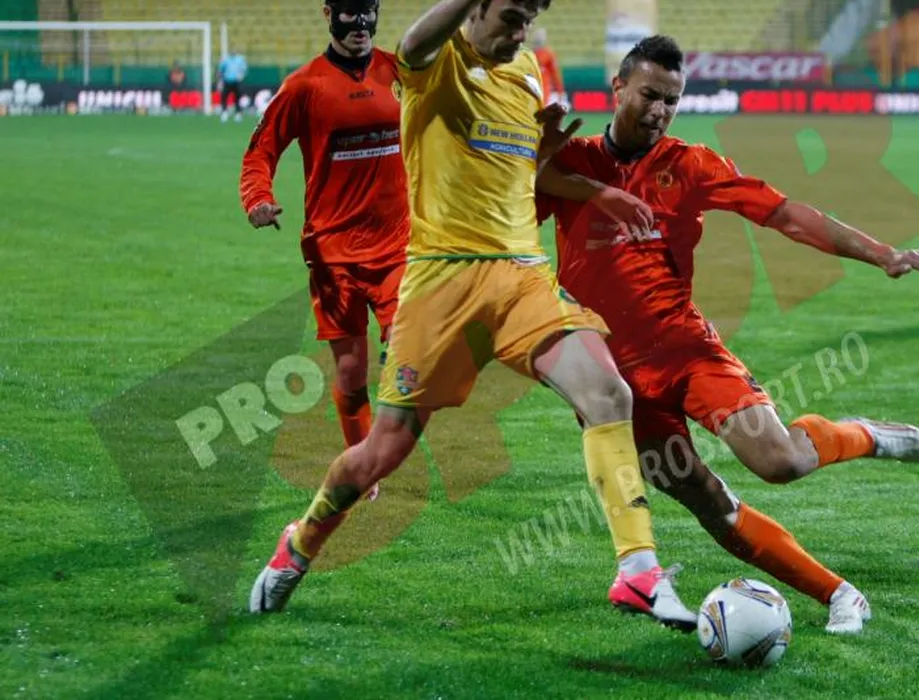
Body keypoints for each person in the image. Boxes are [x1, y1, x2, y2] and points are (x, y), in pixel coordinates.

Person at [249, 0, 698, 633]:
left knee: (607, 391)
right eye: (511, 16)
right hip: (442, 283)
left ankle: (638, 571)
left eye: (529, 19)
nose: (521, 32)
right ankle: (300, 543)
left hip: (520, 276)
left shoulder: (527, 73)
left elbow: (523, 170)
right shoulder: (434, 63)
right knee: (382, 452)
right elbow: (412, 43)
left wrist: (579, 177)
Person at [537, 35, 919, 634]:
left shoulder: (690, 164)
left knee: (780, 461)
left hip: (687, 352)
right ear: (618, 88)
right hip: (609, 382)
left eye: (671, 100)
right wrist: (532, 162)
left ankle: (869, 435)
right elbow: (498, 222)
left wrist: (882, 254)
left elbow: (785, 214)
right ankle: (839, 594)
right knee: (706, 500)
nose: (659, 111)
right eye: (649, 95)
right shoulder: (570, 166)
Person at [240, 0, 405, 504]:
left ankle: (385, 442)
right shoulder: (304, 86)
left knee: (406, 347)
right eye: (350, 13)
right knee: (352, 373)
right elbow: (261, 149)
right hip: (334, 251)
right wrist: (257, 198)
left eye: (370, 11)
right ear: (329, 13)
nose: (362, 24)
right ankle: (362, 462)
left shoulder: (399, 69)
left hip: (399, 244)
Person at [531, 27, 564, 105]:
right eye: (537, 37)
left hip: (544, 87)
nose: (538, 40)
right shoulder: (528, 53)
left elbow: (555, 73)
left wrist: (560, 90)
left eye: (540, 37)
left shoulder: (548, 54)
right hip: (532, 86)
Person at [217, 49, 249, 122]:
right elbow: (221, 70)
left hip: (236, 81)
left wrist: (242, 75)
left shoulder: (240, 59)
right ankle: (224, 112)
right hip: (227, 81)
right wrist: (220, 80)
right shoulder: (226, 60)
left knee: (237, 97)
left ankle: (238, 113)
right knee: (224, 97)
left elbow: (244, 68)